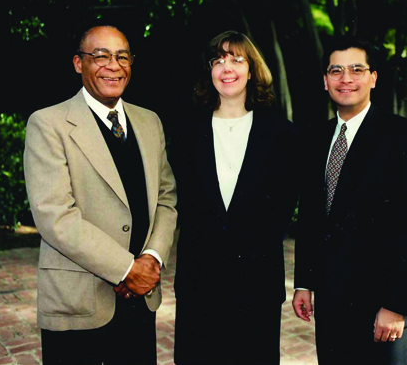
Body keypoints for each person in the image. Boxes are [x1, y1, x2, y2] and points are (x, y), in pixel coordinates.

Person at [24, 25, 177, 365]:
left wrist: (151, 259)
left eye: (122, 56)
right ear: (79, 63)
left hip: (140, 300)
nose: (114, 65)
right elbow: (55, 216)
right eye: (101, 56)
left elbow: (167, 198)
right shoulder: (48, 124)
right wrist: (126, 269)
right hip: (79, 304)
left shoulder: (149, 122)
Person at [292, 36, 407, 365]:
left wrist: (396, 304)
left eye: (357, 69)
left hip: (383, 309)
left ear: (373, 77)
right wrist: (304, 283)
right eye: (336, 70)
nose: (346, 79)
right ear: (325, 81)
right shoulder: (315, 138)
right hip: (331, 304)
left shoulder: (405, 136)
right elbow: (313, 217)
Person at [171, 30, 299, 365]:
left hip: (256, 283)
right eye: (218, 60)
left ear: (252, 70)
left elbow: (283, 208)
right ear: (209, 71)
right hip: (198, 281)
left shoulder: (281, 133)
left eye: (236, 59)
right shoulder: (186, 132)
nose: (226, 68)